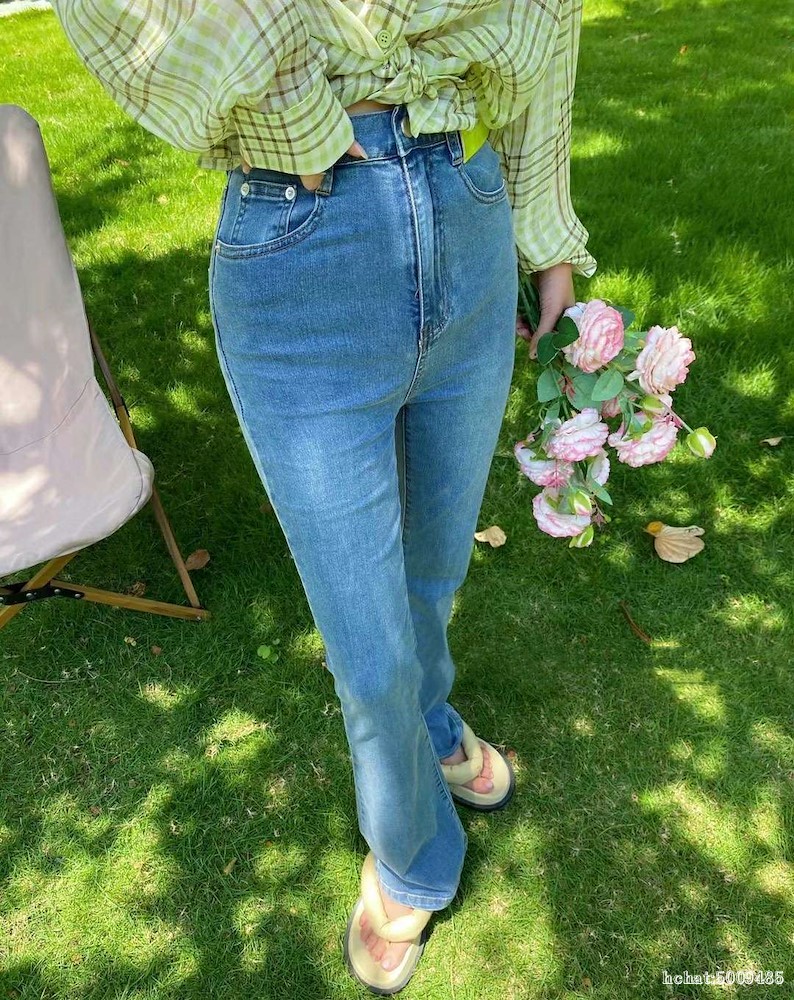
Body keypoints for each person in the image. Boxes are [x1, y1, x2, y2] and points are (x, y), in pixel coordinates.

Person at [51, 0, 597, 992]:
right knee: (365, 639)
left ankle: (432, 727)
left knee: (434, 570)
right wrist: (300, 114)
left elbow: (546, 19)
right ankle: (410, 852)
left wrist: (546, 234)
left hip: (467, 211)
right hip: (301, 240)